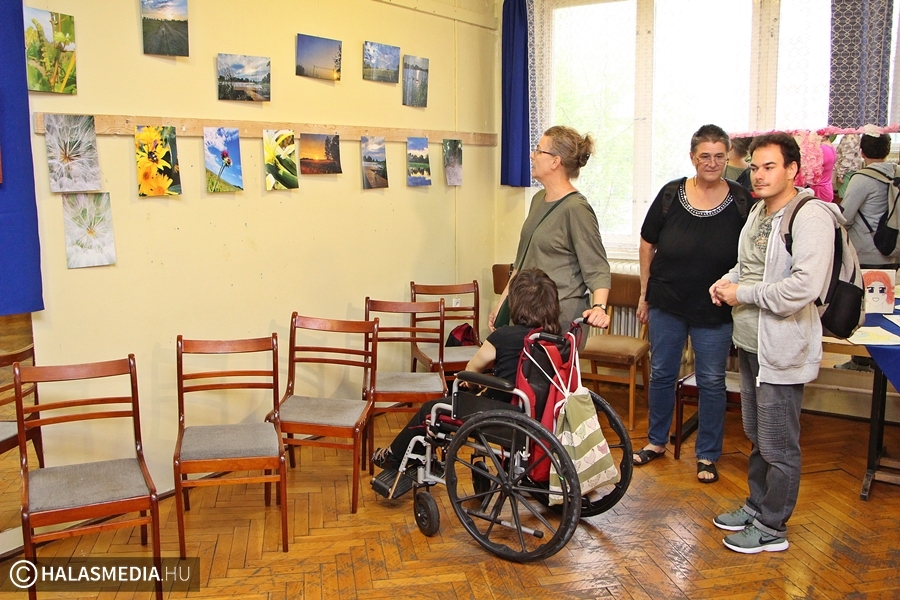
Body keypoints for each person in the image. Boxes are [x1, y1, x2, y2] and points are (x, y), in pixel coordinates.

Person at [709, 132, 845, 554]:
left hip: (782, 347)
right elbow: (748, 265)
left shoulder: (810, 215)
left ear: (792, 170)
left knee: (779, 442)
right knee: (757, 434)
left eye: (770, 166)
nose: (759, 174)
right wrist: (727, 281)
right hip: (751, 342)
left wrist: (743, 292)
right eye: (754, 166)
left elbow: (804, 286)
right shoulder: (758, 211)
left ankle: (772, 527)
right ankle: (756, 505)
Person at [633, 125, 754, 484]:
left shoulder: (742, 200)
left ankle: (707, 454)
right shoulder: (671, 194)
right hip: (666, 303)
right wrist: (644, 294)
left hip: (715, 308)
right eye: (705, 156)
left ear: (727, 157)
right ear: (692, 157)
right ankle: (656, 442)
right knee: (662, 374)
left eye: (719, 156)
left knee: (712, 381)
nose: (712, 163)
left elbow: (751, 256)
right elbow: (646, 244)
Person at [372, 268, 562, 472]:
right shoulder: (557, 338)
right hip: (539, 416)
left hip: (499, 416)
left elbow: (472, 369)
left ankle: (394, 456)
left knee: (431, 408)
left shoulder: (504, 336)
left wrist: (470, 385)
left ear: (516, 303)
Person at [489, 126, 611, 334]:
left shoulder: (576, 209)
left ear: (555, 162)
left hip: (558, 319)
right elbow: (522, 262)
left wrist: (599, 307)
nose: (531, 155)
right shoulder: (538, 200)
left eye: (538, 150)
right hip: (527, 313)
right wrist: (502, 304)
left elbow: (597, 267)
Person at [832, 132, 896, 371]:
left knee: (865, 309)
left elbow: (845, 216)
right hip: (893, 251)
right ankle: (884, 363)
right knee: (885, 310)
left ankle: (861, 360)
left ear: (862, 151)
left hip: (867, 252)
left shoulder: (862, 178)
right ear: (887, 150)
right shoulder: (896, 174)